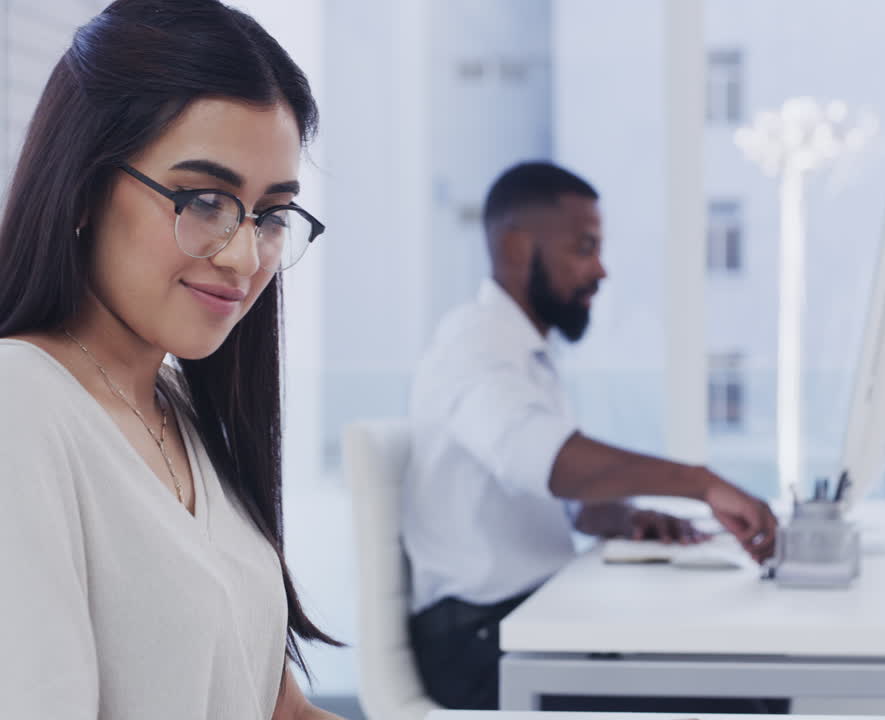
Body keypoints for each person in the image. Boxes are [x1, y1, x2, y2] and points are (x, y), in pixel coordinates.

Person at [0, 1, 344, 718]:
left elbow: (279, 709)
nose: (246, 257)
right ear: (83, 187)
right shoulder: (20, 404)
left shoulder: (181, 403)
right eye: (204, 200)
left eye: (271, 213)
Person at [404, 161, 780, 710]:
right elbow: (542, 461)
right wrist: (700, 482)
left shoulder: (524, 352)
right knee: (746, 697)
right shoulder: (475, 346)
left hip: (524, 618)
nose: (601, 270)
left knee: (739, 668)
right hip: (480, 645)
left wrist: (623, 517)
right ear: (516, 249)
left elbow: (560, 498)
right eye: (584, 248)